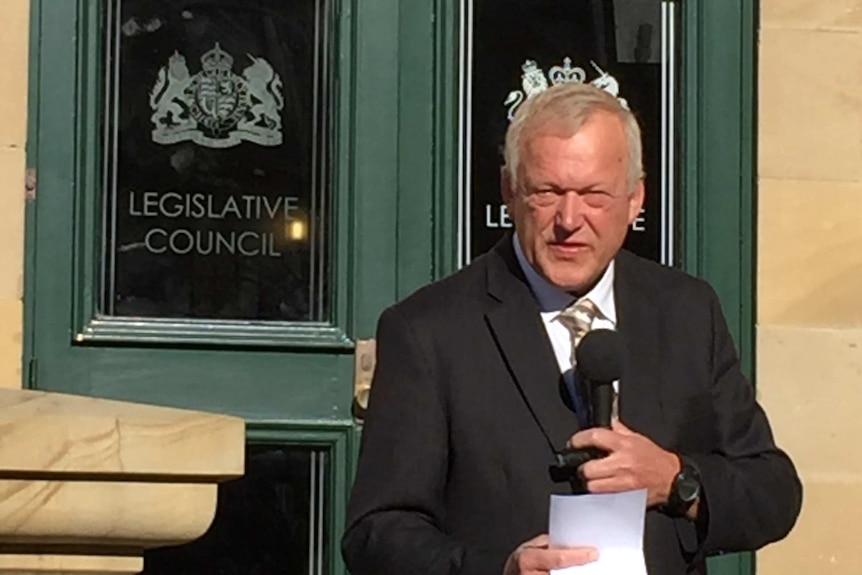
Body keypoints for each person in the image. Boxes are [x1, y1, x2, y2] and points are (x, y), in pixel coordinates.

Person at [341, 83, 802, 575]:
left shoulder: (686, 312)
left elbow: (771, 492)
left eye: (593, 195)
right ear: (509, 192)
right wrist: (500, 569)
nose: (569, 219)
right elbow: (376, 533)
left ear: (635, 200)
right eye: (548, 192)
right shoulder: (429, 331)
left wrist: (677, 480)